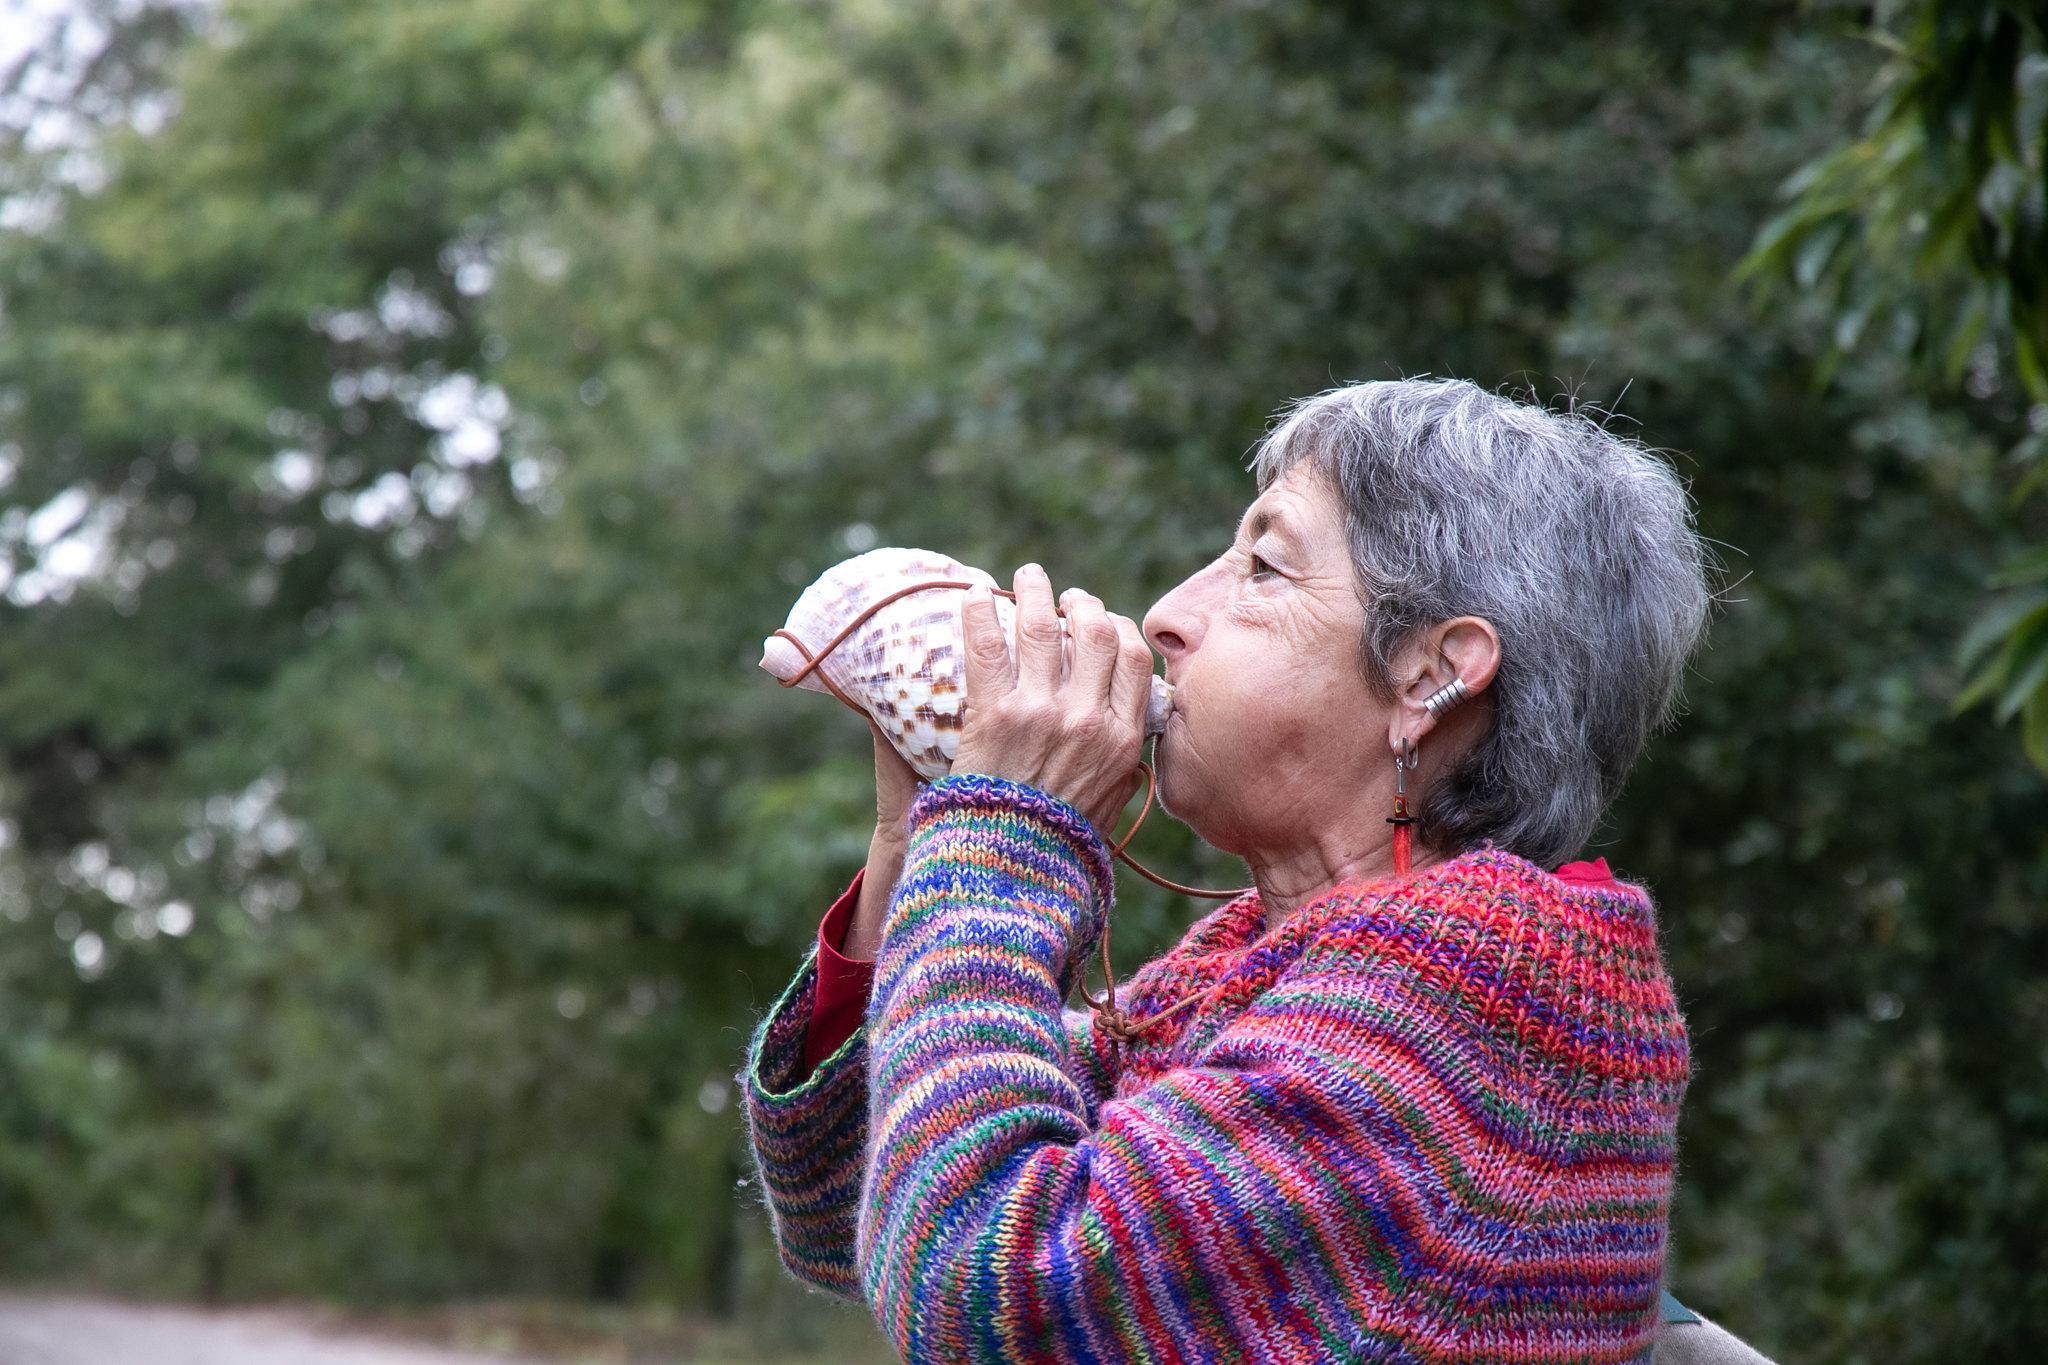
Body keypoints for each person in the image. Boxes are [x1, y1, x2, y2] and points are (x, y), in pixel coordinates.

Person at [743, 379, 1769, 1363]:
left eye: (1262, 568)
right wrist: (912, 849)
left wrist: (1002, 835)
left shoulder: (1478, 1002)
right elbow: (849, 1207)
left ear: (1429, 674)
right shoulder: (1263, 973)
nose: (1166, 616)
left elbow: (977, 1287)